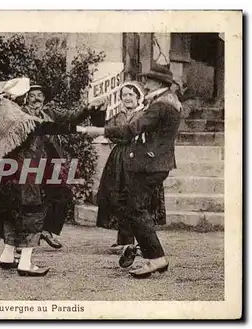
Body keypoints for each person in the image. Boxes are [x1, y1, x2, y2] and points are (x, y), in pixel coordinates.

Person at [0, 78, 85, 277]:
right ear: (21, 97)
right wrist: (79, 129)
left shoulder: (4, 110)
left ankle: (7, 256)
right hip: (25, 171)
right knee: (31, 213)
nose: (31, 98)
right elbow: (42, 128)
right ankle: (25, 263)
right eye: (27, 95)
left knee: (11, 212)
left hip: (7, 172)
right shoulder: (19, 116)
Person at [79, 66, 182, 278]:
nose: (146, 84)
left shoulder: (160, 105)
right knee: (133, 206)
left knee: (135, 208)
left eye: (150, 81)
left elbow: (131, 130)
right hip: (155, 162)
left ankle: (156, 258)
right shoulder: (167, 101)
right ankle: (150, 255)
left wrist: (98, 131)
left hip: (151, 164)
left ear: (159, 83)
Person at [95, 82, 166, 255]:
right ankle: (124, 240)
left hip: (138, 160)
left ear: (138, 97)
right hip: (118, 161)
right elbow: (105, 130)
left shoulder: (144, 115)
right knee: (118, 198)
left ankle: (142, 242)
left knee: (137, 200)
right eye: (124, 95)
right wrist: (100, 112)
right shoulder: (118, 116)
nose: (127, 98)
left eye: (130, 95)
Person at [22, 84, 91, 249]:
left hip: (49, 162)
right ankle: (21, 241)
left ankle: (47, 230)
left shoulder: (50, 113)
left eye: (40, 95)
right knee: (28, 201)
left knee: (62, 194)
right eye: (32, 95)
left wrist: (89, 108)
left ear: (44, 99)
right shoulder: (20, 114)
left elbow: (72, 117)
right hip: (28, 162)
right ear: (26, 98)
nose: (36, 98)